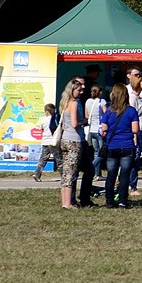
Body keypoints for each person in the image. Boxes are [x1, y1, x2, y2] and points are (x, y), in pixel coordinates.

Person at [100, 84, 139, 209]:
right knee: (124, 175)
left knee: (111, 174)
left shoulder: (109, 111)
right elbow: (135, 129)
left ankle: (109, 201)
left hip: (112, 146)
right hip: (127, 145)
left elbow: (104, 127)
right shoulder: (131, 111)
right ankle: (122, 201)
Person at [58, 80, 94, 210]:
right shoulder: (73, 103)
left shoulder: (64, 102)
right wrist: (84, 121)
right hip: (74, 140)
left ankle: (65, 202)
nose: (81, 92)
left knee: (66, 171)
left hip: (65, 139)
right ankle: (67, 203)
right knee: (71, 172)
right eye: (79, 90)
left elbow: (64, 124)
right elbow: (74, 123)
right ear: (72, 90)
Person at [84, 83, 107, 181]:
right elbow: (106, 115)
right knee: (103, 153)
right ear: (99, 92)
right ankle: (92, 167)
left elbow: (86, 115)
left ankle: (97, 174)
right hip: (100, 130)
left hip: (91, 130)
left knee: (96, 152)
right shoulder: (102, 101)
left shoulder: (88, 101)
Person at [33, 103, 58, 182]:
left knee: (43, 159)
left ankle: (37, 174)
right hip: (53, 141)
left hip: (45, 141)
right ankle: (64, 174)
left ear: (46, 112)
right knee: (59, 158)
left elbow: (41, 128)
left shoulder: (43, 120)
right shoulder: (54, 119)